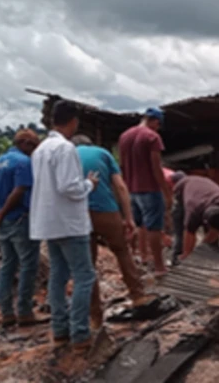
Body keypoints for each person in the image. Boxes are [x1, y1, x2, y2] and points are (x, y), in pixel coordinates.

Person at [30, 100, 99, 353]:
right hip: (69, 224)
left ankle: (59, 330)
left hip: (48, 222)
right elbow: (69, 187)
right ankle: (80, 333)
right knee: (84, 276)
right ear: (74, 122)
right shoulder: (65, 148)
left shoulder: (40, 150)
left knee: (58, 276)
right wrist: (89, 184)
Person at [72, 135, 156, 329]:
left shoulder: (70, 155)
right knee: (122, 251)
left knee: (88, 265)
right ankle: (138, 295)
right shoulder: (103, 153)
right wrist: (128, 218)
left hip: (79, 213)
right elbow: (120, 186)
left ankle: (96, 317)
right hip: (106, 210)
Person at [0, 129, 41, 328]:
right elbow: (20, 190)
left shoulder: (0, 161)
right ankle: (25, 312)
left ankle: (7, 312)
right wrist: (2, 213)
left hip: (3, 220)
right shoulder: (23, 162)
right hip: (19, 218)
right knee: (28, 265)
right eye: (34, 146)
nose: (34, 150)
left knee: (8, 265)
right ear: (25, 143)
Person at [118, 108, 172, 277]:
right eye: (158, 124)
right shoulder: (152, 137)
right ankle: (159, 266)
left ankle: (141, 257)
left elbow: (121, 165)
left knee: (139, 225)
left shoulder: (124, 136)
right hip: (149, 188)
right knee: (154, 227)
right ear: (155, 121)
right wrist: (166, 192)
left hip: (131, 189)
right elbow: (156, 168)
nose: (158, 127)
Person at [171, 175, 219, 263]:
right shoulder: (193, 209)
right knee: (180, 233)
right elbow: (189, 232)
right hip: (184, 187)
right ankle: (177, 260)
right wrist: (187, 255)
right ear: (206, 222)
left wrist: (206, 244)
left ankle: (211, 256)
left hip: (203, 188)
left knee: (213, 244)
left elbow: (214, 233)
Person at [136, 167, 180, 263]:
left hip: (145, 185)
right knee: (145, 222)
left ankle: (161, 239)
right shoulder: (164, 181)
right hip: (145, 189)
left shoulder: (173, 177)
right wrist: (162, 235)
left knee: (162, 212)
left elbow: (168, 203)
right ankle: (144, 254)